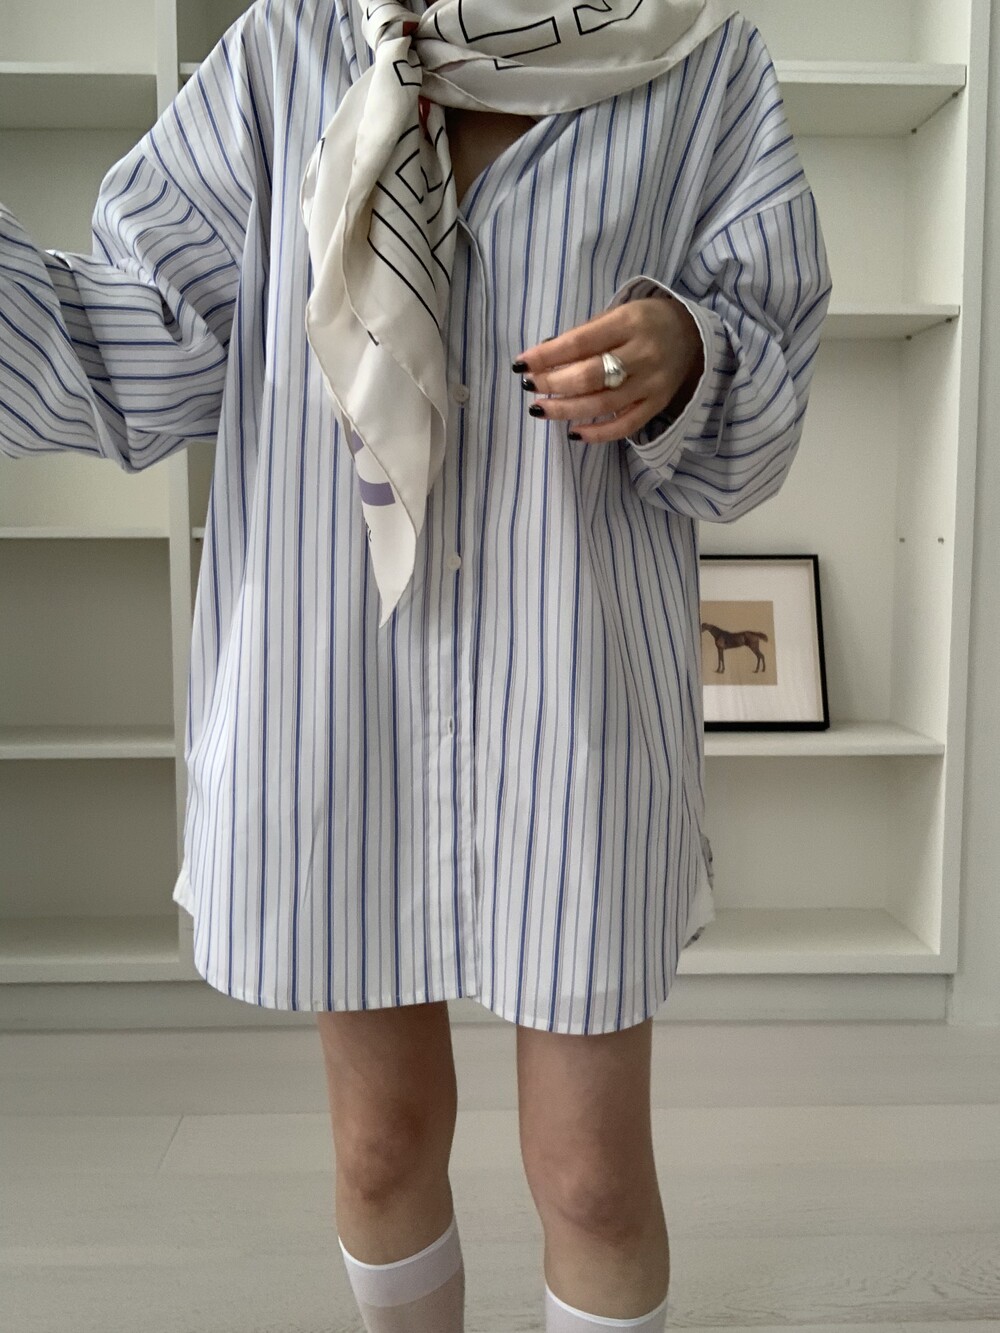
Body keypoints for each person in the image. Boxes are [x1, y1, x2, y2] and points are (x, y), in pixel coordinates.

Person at [0, 1, 833, 1329]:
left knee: (593, 1180)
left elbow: (767, 370)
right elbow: (135, 346)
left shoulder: (698, 58)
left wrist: (688, 353)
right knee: (382, 1146)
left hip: (570, 692)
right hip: (334, 683)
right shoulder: (287, 52)